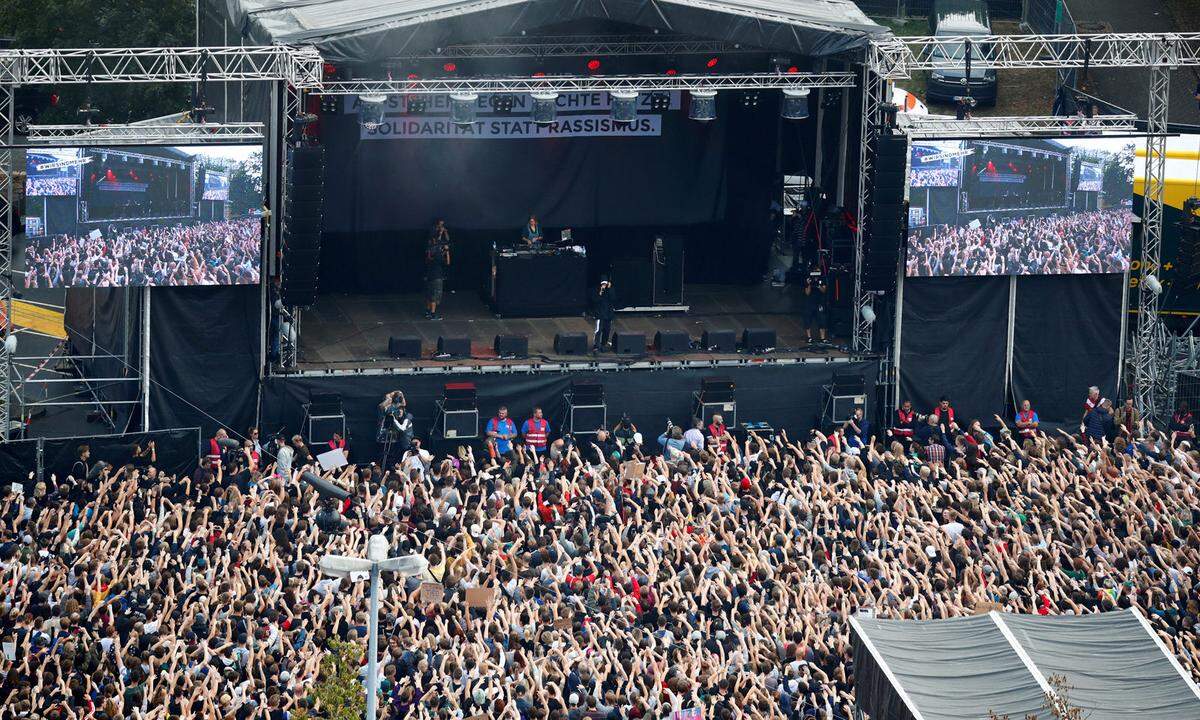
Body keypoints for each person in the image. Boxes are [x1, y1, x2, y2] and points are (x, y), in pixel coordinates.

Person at [424, 220, 451, 320]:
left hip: (429, 275)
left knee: (429, 294)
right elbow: (447, 262)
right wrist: (447, 252)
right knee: (435, 296)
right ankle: (432, 313)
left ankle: (427, 312)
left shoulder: (429, 249)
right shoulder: (437, 251)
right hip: (437, 276)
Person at [592, 278, 617, 353]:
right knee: (598, 330)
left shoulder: (610, 290)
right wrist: (600, 292)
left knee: (607, 330)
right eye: (603, 284)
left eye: (605, 284)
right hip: (600, 314)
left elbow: (613, 298)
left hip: (608, 315)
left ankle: (604, 344)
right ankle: (596, 346)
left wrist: (609, 289)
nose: (604, 285)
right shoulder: (597, 290)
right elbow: (595, 300)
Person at [803, 272, 828, 343]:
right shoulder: (808, 280)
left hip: (819, 303)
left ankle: (822, 338)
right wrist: (810, 284)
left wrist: (818, 285)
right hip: (810, 303)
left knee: (822, 320)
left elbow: (824, 290)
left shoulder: (822, 279)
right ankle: (809, 337)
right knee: (807, 319)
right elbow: (807, 293)